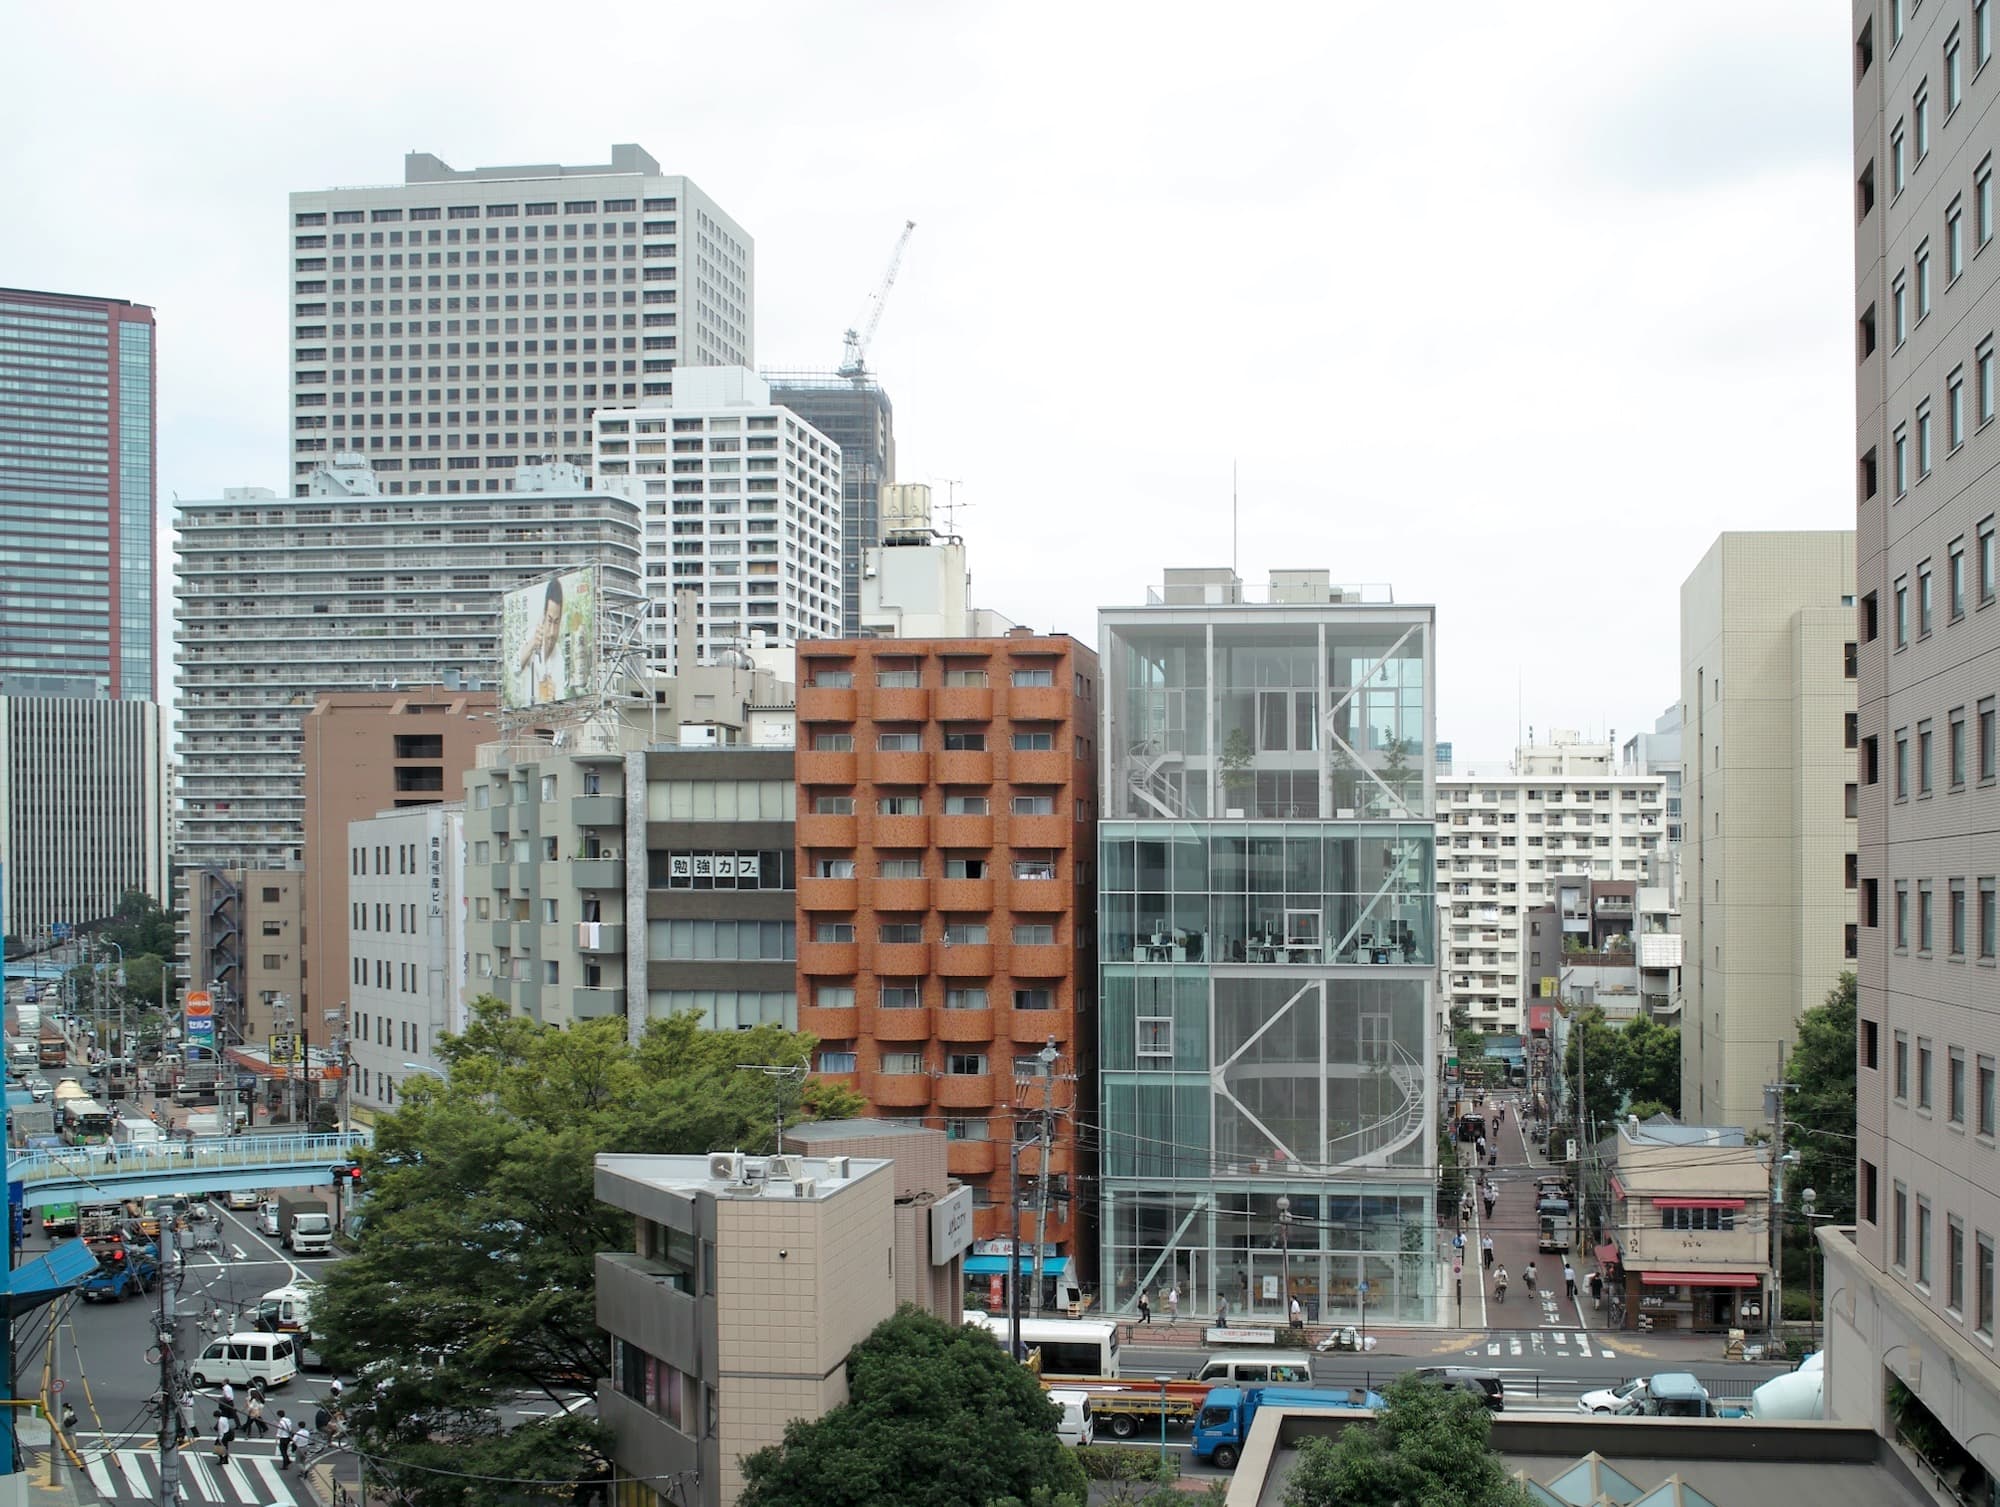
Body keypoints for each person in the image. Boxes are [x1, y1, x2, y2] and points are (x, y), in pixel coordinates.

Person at [511, 575, 568, 706]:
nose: (552, 632)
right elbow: (514, 667)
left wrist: (554, 698)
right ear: (543, 615)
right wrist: (532, 644)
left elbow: (563, 707)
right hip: (521, 712)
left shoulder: (559, 661)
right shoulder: (531, 635)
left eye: (557, 623)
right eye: (549, 620)